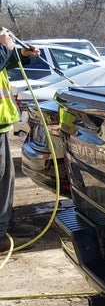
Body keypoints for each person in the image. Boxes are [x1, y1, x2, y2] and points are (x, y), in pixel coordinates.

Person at [1, 27, 40, 253]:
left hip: (2, 123)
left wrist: (22, 54)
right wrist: (5, 46)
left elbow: (4, 64)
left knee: (6, 180)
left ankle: (5, 224)